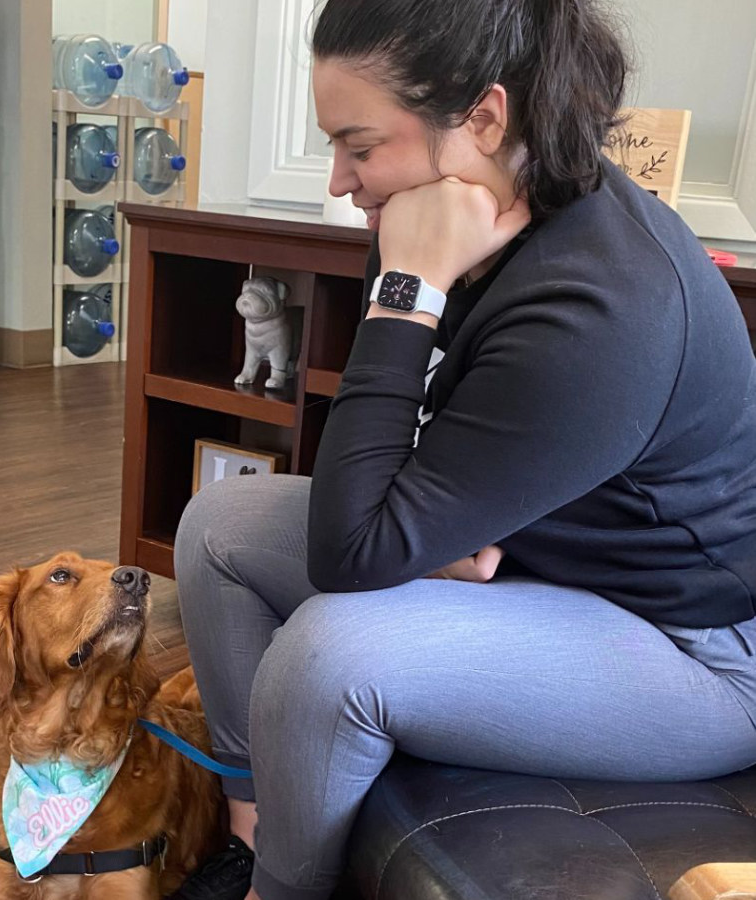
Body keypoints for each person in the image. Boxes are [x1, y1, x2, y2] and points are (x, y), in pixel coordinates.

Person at [171, 1, 756, 899]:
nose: (339, 181)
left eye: (359, 147)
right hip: (547, 564)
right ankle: (249, 826)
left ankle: (279, 891)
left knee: (332, 650)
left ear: (483, 118)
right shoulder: (435, 223)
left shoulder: (602, 308)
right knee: (217, 526)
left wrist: (405, 293)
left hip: (693, 651)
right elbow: (377, 497)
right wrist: (424, 530)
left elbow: (349, 549)